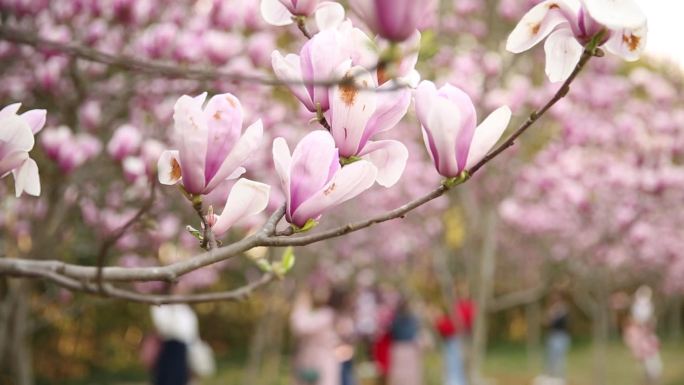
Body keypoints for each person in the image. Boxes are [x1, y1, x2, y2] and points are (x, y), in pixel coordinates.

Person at [148, 304, 216, 385]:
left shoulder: (186, 309)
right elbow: (163, 329)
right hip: (171, 348)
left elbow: (192, 334)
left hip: (187, 348)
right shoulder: (162, 308)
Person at [291, 289, 341, 385]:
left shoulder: (327, 314)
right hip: (309, 361)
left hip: (321, 361)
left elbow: (301, 326)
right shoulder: (319, 314)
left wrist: (301, 305)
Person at [624, 286, 662, 385]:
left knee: (653, 366)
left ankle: (652, 379)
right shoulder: (634, 328)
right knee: (645, 367)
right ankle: (649, 379)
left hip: (647, 345)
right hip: (642, 344)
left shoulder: (648, 325)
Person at [435, 296, 475, 385]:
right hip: (453, 340)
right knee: (454, 364)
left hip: (454, 340)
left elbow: (448, 327)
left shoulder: (462, 308)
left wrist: (440, 322)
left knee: (455, 364)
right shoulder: (459, 308)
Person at [388, 296, 422, 385]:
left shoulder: (396, 319)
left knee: (404, 378)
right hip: (405, 348)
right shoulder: (411, 318)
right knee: (407, 378)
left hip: (402, 348)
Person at [544, 292, 570, 382]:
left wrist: (553, 314)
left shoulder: (563, 309)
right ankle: (551, 376)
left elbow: (559, 321)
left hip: (561, 336)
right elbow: (548, 322)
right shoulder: (553, 310)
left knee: (560, 358)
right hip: (553, 335)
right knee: (551, 357)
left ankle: (561, 378)